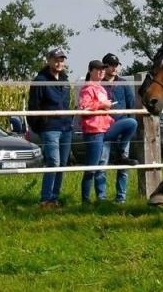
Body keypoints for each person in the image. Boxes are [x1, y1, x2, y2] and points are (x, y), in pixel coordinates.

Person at [26, 48, 73, 209]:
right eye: (56, 60)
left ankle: (55, 198)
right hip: (50, 127)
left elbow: (67, 103)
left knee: (62, 164)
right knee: (53, 161)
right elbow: (33, 106)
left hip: (66, 127)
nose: (59, 63)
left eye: (61, 60)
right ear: (49, 60)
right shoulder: (40, 80)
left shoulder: (65, 80)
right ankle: (45, 199)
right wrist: (40, 126)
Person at [100, 52, 140, 202]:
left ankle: (121, 198)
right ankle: (101, 198)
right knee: (102, 163)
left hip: (122, 130)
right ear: (105, 66)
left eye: (116, 65)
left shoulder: (123, 83)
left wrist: (130, 129)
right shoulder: (99, 84)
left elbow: (131, 107)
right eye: (111, 64)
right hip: (104, 129)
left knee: (123, 165)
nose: (114, 67)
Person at [78, 60, 114, 203]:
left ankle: (101, 197)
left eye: (103, 70)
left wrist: (107, 109)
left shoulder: (101, 88)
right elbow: (83, 107)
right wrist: (102, 105)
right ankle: (86, 200)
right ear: (90, 71)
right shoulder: (87, 88)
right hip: (93, 130)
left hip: (105, 127)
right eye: (98, 70)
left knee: (130, 123)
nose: (101, 72)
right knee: (92, 167)